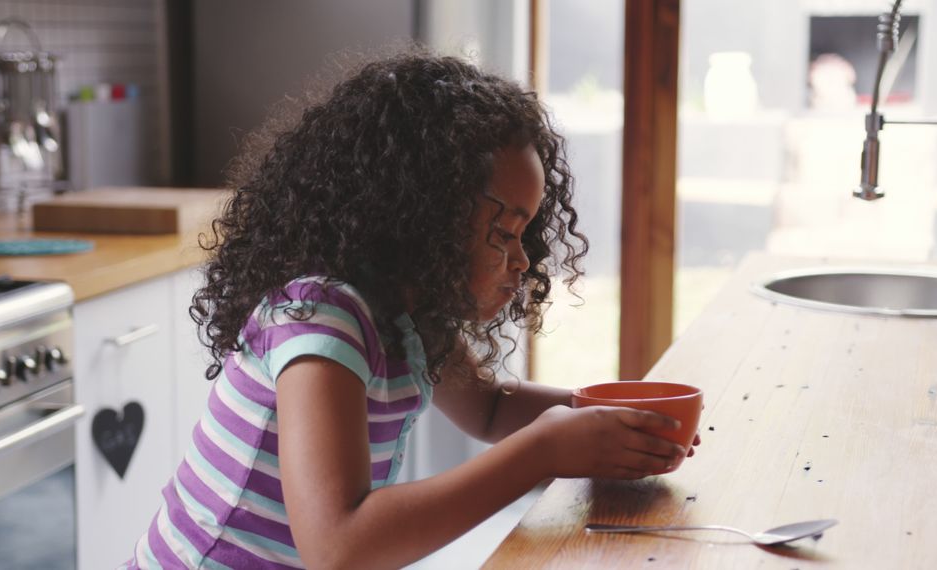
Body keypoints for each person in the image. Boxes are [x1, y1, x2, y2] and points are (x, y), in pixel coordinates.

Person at [124, 48, 700, 569]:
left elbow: (491, 411)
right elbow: (338, 545)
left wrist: (607, 421)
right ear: (423, 219)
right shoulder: (321, 318)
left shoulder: (413, 315)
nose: (523, 260)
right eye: (504, 232)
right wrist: (543, 449)